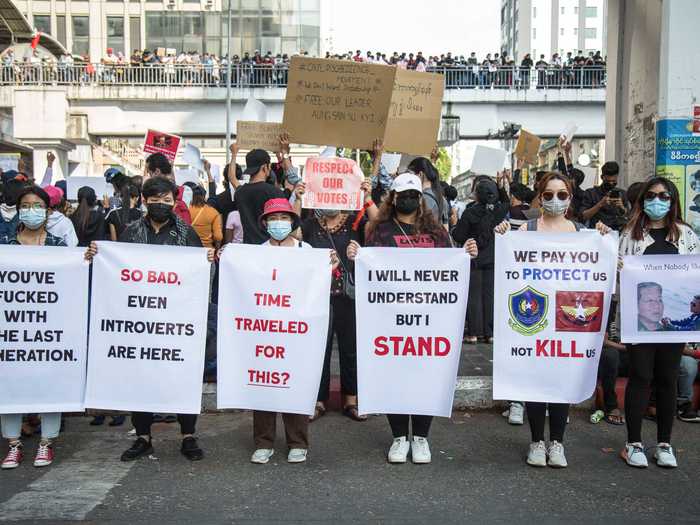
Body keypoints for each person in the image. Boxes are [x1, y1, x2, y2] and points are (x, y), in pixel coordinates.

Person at [347, 173, 478, 464]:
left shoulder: (437, 232)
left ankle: (420, 437)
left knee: (424, 375)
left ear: (421, 199)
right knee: (395, 374)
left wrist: (465, 254)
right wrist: (357, 254)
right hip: (390, 318)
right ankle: (398, 436)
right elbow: (370, 269)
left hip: (429, 319)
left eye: (413, 194)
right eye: (402, 194)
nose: (408, 199)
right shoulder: (378, 231)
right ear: (393, 197)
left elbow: (449, 267)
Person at [84, 177, 215, 462]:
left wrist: (206, 261)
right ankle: (143, 437)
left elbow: (200, 277)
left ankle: (188, 435)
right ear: (144, 200)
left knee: (181, 375)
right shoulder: (130, 233)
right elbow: (116, 270)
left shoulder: (186, 234)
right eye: (154, 199)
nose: (160, 204)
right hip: (139, 319)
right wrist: (98, 255)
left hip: (177, 322)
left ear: (174, 201)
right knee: (139, 376)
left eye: (166, 199)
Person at [494, 172, 609, 468]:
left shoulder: (583, 232)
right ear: (539, 196)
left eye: (561, 194)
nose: (555, 200)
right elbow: (509, 266)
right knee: (535, 381)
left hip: (568, 320)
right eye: (548, 195)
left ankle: (556, 442)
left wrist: (605, 239)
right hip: (534, 319)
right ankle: (536, 442)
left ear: (570, 197)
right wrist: (504, 233)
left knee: (560, 382)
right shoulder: (526, 230)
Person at [247, 197, 339, 465]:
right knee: (264, 382)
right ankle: (263, 442)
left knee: (295, 383)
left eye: (284, 218)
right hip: (265, 328)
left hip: (297, 330)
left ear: (292, 221)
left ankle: (298, 442)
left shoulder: (306, 250)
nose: (279, 223)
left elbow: (316, 286)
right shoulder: (256, 253)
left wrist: (329, 268)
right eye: (273, 219)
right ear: (265, 223)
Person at [618, 176, 699, 468]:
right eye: (652, 195)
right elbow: (619, 277)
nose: (658, 201)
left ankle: (665, 443)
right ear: (642, 200)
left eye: (665, 196)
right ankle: (633, 443)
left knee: (667, 379)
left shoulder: (686, 235)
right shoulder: (629, 234)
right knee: (640, 377)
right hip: (638, 322)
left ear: (673, 201)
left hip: (673, 322)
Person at [1, 186, 68, 469]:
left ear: (48, 210)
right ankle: (13, 445)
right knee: (9, 384)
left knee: (50, 383)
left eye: (36, 205)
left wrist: (86, 258)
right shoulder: (4, 244)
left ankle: (46, 443)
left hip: (49, 328)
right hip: (12, 328)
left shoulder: (59, 246)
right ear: (18, 209)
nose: (31, 210)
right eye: (25, 205)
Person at [302, 178, 378, 423]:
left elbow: (378, 224)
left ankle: (351, 398)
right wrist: (296, 196)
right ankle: (317, 399)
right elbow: (292, 233)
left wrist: (367, 197)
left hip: (348, 296)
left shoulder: (356, 222)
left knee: (351, 348)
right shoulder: (311, 225)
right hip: (317, 296)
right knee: (317, 349)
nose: (329, 200)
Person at [453, 177, 508, 344]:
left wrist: (455, 223)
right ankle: (490, 333)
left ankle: (474, 333)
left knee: (474, 296)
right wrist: (501, 186)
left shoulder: (470, 213)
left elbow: (459, 235)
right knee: (490, 295)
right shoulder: (500, 210)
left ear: (477, 195)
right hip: (493, 258)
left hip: (474, 258)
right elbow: (505, 200)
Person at [234, 148, 301, 244]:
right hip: (269, 247)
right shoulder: (273, 192)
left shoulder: (239, 192)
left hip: (248, 247)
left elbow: (232, 178)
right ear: (265, 167)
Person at [145, 153, 191, 224]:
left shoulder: (152, 193)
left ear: (157, 172)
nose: (149, 177)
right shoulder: (185, 192)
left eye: (150, 173)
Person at [581, 161, 628, 230]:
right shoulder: (591, 193)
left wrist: (622, 208)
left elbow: (629, 216)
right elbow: (583, 216)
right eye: (608, 181)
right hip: (598, 232)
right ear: (602, 177)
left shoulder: (622, 193)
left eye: (614, 181)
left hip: (617, 232)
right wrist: (600, 204)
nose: (611, 183)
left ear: (617, 177)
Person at [407, 156, 449, 228]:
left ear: (420, 174)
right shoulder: (441, 197)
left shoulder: (424, 198)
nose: (408, 179)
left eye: (410, 175)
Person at [188, 183, 222, 249]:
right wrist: (217, 249)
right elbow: (218, 236)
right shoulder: (213, 212)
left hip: (189, 248)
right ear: (204, 196)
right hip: (207, 250)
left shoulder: (185, 209)